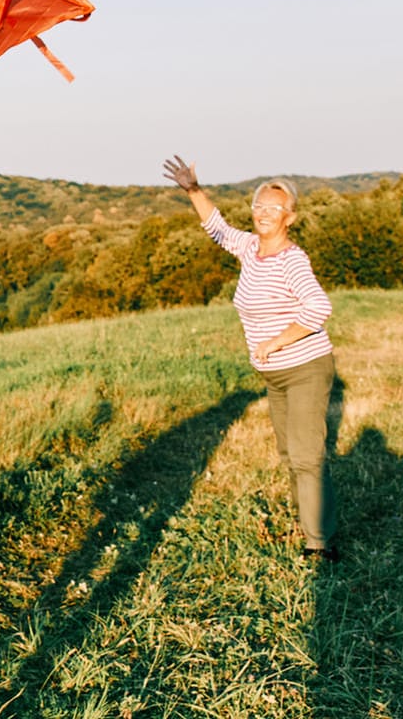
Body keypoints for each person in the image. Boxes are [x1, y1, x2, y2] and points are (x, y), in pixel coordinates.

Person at [162, 156, 339, 561]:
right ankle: (309, 521)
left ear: (289, 217)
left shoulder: (292, 259)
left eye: (273, 208)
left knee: (306, 455)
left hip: (305, 368)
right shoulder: (249, 248)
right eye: (259, 205)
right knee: (288, 453)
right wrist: (193, 189)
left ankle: (320, 543)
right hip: (275, 375)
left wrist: (277, 341)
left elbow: (318, 307)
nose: (263, 214)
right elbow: (218, 228)